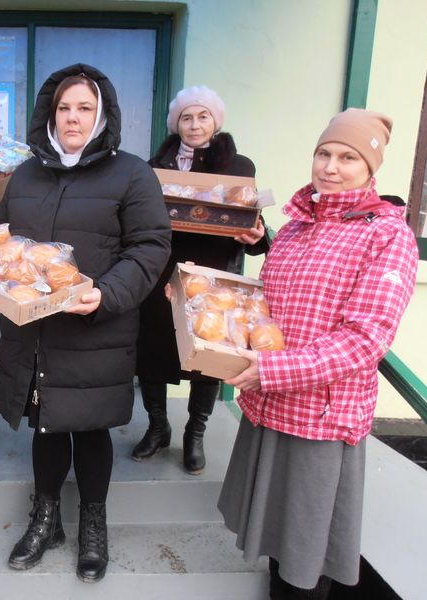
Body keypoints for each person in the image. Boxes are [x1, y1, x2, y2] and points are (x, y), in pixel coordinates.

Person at [218, 108, 418, 598]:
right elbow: (268, 307)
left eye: (348, 158)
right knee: (277, 541)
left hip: (322, 416)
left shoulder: (387, 235)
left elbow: (366, 338)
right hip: (271, 405)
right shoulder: (295, 227)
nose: (330, 167)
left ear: (371, 168)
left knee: (306, 555)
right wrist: (210, 308)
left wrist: (272, 369)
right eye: (324, 153)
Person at [0, 64, 171, 583]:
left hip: (98, 329)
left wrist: (106, 294)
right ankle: (46, 520)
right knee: (46, 426)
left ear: (102, 115)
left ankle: (94, 525)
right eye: (64, 108)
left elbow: (151, 245)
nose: (73, 117)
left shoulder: (132, 174)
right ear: (51, 114)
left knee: (91, 430)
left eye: (84, 108)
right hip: (35, 331)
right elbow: (3, 239)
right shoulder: (26, 174)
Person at [133, 85, 270, 474]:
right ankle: (157, 427)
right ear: (176, 124)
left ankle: (195, 433)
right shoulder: (153, 167)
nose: (195, 124)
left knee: (210, 358)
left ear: (216, 121)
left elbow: (251, 219)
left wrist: (258, 235)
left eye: (203, 116)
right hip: (160, 272)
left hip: (213, 275)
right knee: (153, 353)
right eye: (187, 117)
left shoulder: (238, 166)